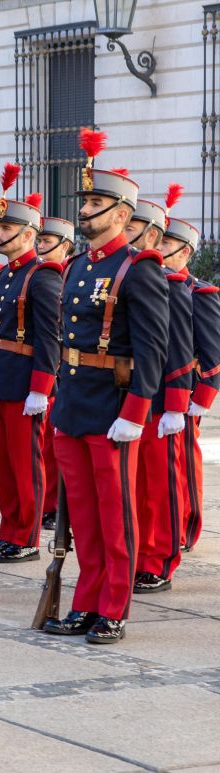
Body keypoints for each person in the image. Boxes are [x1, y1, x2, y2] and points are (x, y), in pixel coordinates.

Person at [41, 129, 167, 645]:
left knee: (115, 516)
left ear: (122, 214)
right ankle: (85, 601)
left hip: (113, 407)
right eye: (85, 201)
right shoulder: (74, 267)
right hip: (72, 402)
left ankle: (112, 606)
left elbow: (153, 349)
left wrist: (135, 412)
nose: (85, 210)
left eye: (96, 202)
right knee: (84, 517)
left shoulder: (139, 270)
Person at [0, 176, 62, 563]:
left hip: (24, 380)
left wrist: (41, 389)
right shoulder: (2, 275)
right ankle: (8, 530)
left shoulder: (42, 276)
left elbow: (51, 336)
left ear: (28, 234)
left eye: (7, 228)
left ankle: (25, 535)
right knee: (2, 464)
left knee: (24, 463)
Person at [129, 187, 193, 594]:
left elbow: (182, 350)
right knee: (134, 486)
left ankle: (160, 558)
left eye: (136, 227)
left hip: (157, 399)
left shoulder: (171, 284)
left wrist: (178, 405)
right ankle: (138, 554)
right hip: (124, 394)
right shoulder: (121, 273)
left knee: (160, 485)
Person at [156, 206, 220, 552]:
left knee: (182, 464)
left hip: (185, 390)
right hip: (154, 389)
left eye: (168, 243)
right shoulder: (151, 283)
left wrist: (202, 399)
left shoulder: (200, 292)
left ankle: (187, 523)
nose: (160, 248)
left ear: (186, 252)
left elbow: (211, 352)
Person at [35, 216, 76, 529]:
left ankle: (58, 507)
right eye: (40, 240)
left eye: (47, 242)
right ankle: (49, 505)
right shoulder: (40, 276)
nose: (40, 247)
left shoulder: (63, 277)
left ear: (65, 246)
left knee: (57, 449)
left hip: (62, 373)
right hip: (51, 369)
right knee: (48, 449)